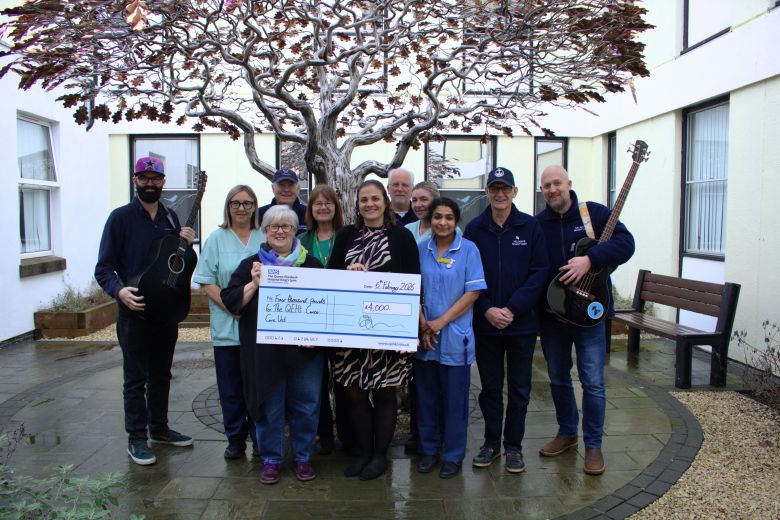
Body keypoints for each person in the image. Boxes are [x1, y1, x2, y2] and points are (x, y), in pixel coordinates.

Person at [94, 156, 196, 466]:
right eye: (144, 177)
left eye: (156, 177)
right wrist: (119, 291)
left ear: (164, 181)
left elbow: (173, 263)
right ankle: (136, 438)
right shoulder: (120, 218)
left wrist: (186, 245)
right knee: (135, 379)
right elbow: (104, 268)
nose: (150, 182)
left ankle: (160, 429)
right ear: (135, 180)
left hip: (164, 312)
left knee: (162, 374)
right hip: (134, 311)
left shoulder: (170, 217)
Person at [535, 165, 635, 476]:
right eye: (547, 185)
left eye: (557, 183)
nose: (552, 189)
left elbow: (626, 244)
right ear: (542, 191)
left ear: (569, 183)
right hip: (554, 316)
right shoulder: (538, 224)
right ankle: (567, 433)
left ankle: (593, 445)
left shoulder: (593, 214)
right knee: (558, 378)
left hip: (591, 314)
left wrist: (591, 259)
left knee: (592, 382)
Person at [220, 205, 324, 485]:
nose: (280, 231)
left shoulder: (311, 264)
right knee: (270, 407)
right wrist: (254, 284)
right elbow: (231, 302)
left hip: (305, 353)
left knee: (306, 406)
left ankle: (303, 458)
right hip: (265, 354)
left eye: (286, 226)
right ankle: (271, 459)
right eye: (273, 226)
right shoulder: (251, 265)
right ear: (265, 231)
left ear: (294, 231)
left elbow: (328, 306)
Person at [328, 180, 421, 480]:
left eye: (375, 199)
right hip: (350, 332)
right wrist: (347, 273)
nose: (369, 204)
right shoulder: (345, 235)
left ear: (385, 201)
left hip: (388, 331)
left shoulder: (402, 237)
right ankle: (364, 451)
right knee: (353, 393)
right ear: (357, 205)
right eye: (364, 200)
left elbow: (414, 284)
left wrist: (410, 332)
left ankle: (380, 455)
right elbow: (329, 279)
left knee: (384, 394)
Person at [463, 166, 549, 474]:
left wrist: (512, 309)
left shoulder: (530, 227)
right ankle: (490, 444)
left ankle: (513, 446)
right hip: (486, 324)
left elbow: (540, 272)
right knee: (489, 388)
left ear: (514, 192)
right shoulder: (474, 229)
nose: (500, 194)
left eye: (505, 188)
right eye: (494, 188)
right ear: (486, 192)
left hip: (521, 324)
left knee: (520, 388)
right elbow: (467, 275)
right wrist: (486, 309)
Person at [415, 198, 486, 479]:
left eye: (448, 217)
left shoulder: (469, 250)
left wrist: (441, 322)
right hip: (426, 337)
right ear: (430, 220)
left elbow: (473, 292)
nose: (442, 222)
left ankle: (453, 456)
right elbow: (412, 290)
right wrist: (424, 325)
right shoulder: (421, 249)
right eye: (437, 217)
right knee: (426, 399)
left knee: (456, 402)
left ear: (456, 221)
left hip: (456, 337)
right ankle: (429, 451)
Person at [193, 185, 265, 460]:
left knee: (257, 388)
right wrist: (231, 306)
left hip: (258, 327)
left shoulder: (264, 237)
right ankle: (235, 439)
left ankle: (260, 438)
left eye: (248, 203)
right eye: (236, 203)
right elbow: (206, 280)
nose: (242, 208)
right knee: (230, 388)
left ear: (255, 207)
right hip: (227, 325)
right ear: (228, 206)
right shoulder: (216, 238)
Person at [296, 185, 349, 456]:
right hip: (313, 321)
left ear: (335, 207)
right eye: (317, 204)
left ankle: (349, 434)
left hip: (343, 321)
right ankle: (325, 434)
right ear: (311, 210)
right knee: (316, 380)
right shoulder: (302, 242)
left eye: (328, 203)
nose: (323, 208)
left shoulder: (347, 237)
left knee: (343, 381)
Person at [257, 168, 307, 233]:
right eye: (281, 185)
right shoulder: (259, 215)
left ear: (298, 189)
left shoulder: (308, 214)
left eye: (290, 185)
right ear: (273, 188)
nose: (286, 189)